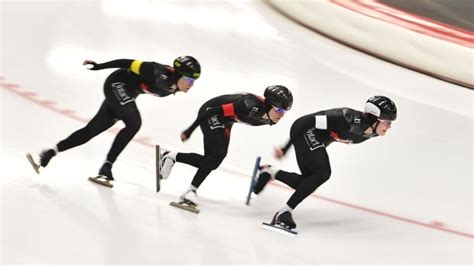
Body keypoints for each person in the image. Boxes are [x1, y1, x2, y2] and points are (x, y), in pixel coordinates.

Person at [27, 56, 201, 182]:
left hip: (127, 94)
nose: (190, 85)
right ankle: (107, 166)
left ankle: (50, 152)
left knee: (90, 131)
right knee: (134, 123)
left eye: (193, 82)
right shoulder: (155, 71)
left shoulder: (173, 87)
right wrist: (98, 66)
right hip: (116, 84)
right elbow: (127, 63)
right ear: (178, 74)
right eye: (189, 80)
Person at [254, 96, 397, 230]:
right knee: (323, 173)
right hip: (305, 131)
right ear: (376, 119)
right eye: (388, 122)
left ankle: (270, 172)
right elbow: (306, 121)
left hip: (315, 140)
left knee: (306, 183)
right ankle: (284, 213)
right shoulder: (347, 118)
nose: (389, 126)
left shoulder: (373, 131)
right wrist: (286, 147)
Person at [160, 85, 293, 205]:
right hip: (211, 112)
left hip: (227, 121)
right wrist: (190, 130)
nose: (281, 116)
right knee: (219, 154)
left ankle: (171, 156)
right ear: (269, 104)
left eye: (284, 112)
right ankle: (190, 191)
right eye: (280, 111)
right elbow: (210, 112)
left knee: (212, 161)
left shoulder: (272, 118)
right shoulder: (248, 104)